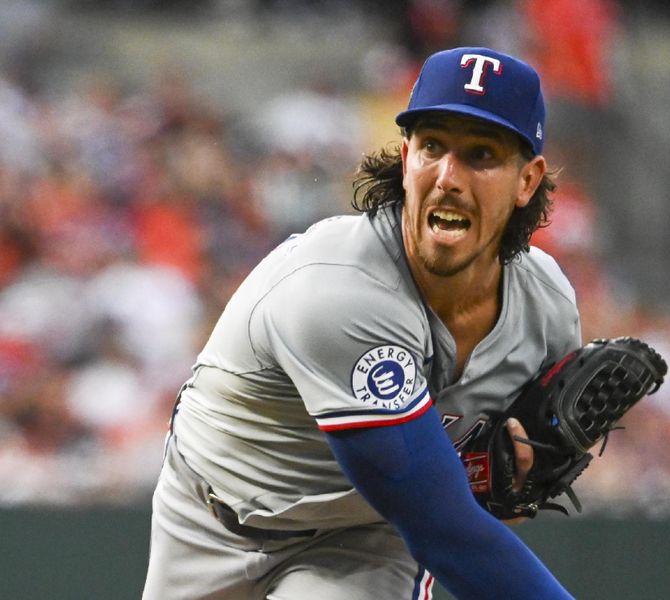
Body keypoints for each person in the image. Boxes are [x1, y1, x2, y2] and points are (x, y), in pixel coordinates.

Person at [142, 46, 580, 600]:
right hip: (210, 516)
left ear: (527, 181)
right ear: (405, 157)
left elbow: (504, 491)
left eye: (481, 155)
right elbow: (445, 529)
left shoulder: (546, 308)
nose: (448, 176)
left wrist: (516, 482)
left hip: (362, 539)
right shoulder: (339, 288)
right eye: (432, 147)